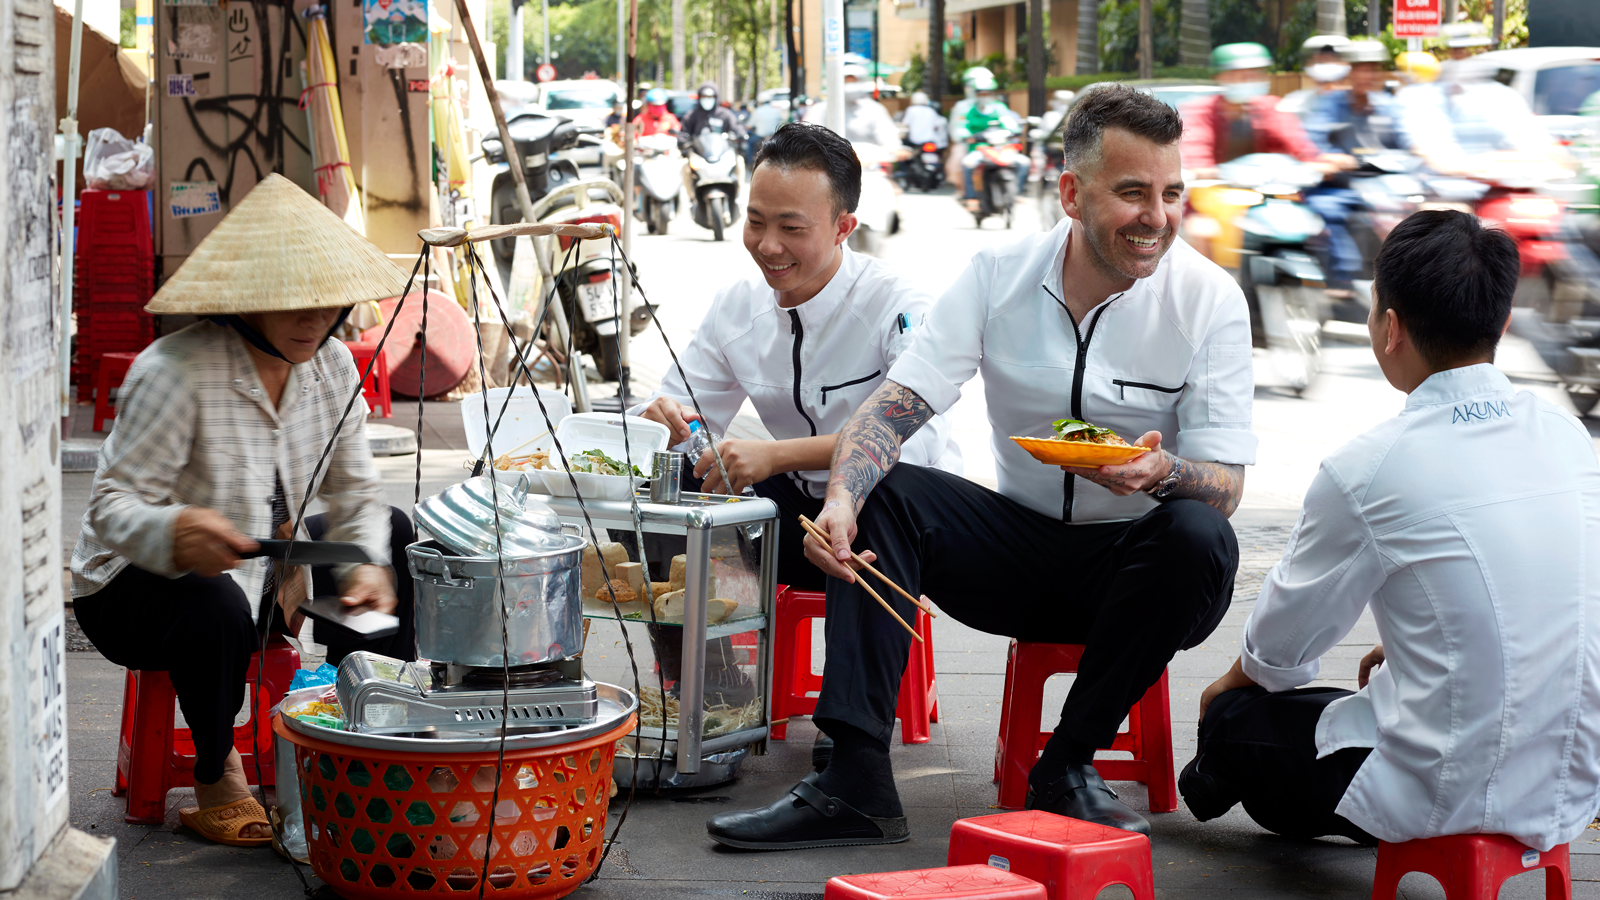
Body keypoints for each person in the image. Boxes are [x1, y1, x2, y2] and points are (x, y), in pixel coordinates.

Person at [706, 83, 1256, 849]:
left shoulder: (1210, 300)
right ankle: (855, 780)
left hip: (1143, 575)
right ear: (1071, 192)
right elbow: (896, 403)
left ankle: (1065, 765)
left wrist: (1159, 475)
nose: (1156, 218)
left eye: (1169, 194)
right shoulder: (998, 274)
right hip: (1018, 558)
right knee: (883, 490)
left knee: (1197, 531)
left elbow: (1227, 485)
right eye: (1133, 193)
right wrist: (841, 497)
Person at [1181, 208, 1600, 852]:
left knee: (1239, 721)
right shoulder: (1569, 435)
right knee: (1362, 696)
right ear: (1503, 321)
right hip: (1570, 782)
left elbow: (1282, 655)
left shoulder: (1368, 467)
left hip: (1439, 789)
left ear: (1389, 327)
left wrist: (1228, 691)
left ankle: (1207, 778)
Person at [69, 174, 416, 848]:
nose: (313, 320)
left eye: (327, 304)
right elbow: (111, 510)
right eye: (291, 304)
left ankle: (367, 733)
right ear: (244, 302)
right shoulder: (172, 369)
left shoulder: (332, 365)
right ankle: (214, 765)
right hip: (130, 589)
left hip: (266, 569)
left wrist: (365, 559)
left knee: (393, 536)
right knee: (211, 601)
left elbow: (353, 492)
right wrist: (173, 533)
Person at [634, 121, 960, 594]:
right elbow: (681, 405)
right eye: (756, 221)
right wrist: (659, 419)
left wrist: (775, 456)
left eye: (791, 228)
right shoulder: (737, 306)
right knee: (662, 480)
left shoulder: (897, 304)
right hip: (795, 513)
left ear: (843, 228)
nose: (768, 245)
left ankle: (854, 672)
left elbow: (917, 442)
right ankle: (700, 667)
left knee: (890, 494)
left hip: (892, 523)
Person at [1301, 40, 1403, 292]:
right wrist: (1337, 160)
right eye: (1360, 68)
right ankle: (1340, 284)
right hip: (1339, 187)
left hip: (1382, 186)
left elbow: (1406, 143)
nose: (1366, 75)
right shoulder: (1329, 104)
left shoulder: (1389, 107)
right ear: (1349, 71)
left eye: (1372, 68)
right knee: (1330, 211)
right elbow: (1314, 145)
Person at [1179, 42, 1329, 177]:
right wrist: (1215, 173)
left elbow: (1297, 144)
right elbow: (1196, 158)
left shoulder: (1269, 107)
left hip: (1267, 191)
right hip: (1215, 195)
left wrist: (1316, 162)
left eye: (1255, 74)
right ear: (1220, 77)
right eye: (1240, 75)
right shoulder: (1201, 110)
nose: (1249, 80)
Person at [802, 63, 901, 149]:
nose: (850, 87)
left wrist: (895, 149)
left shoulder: (874, 109)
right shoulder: (820, 110)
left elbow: (889, 138)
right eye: (846, 81)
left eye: (853, 81)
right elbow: (805, 137)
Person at [1279, 34, 1351, 117]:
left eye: (1329, 60)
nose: (1325, 66)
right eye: (1321, 61)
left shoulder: (1352, 103)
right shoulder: (1293, 102)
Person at [678, 81, 746, 152]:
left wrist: (740, 133)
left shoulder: (724, 114)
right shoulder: (692, 114)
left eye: (710, 97)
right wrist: (682, 140)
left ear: (716, 97)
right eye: (704, 97)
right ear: (699, 97)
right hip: (698, 153)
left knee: (739, 160)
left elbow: (735, 125)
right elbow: (684, 131)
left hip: (722, 153)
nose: (707, 99)